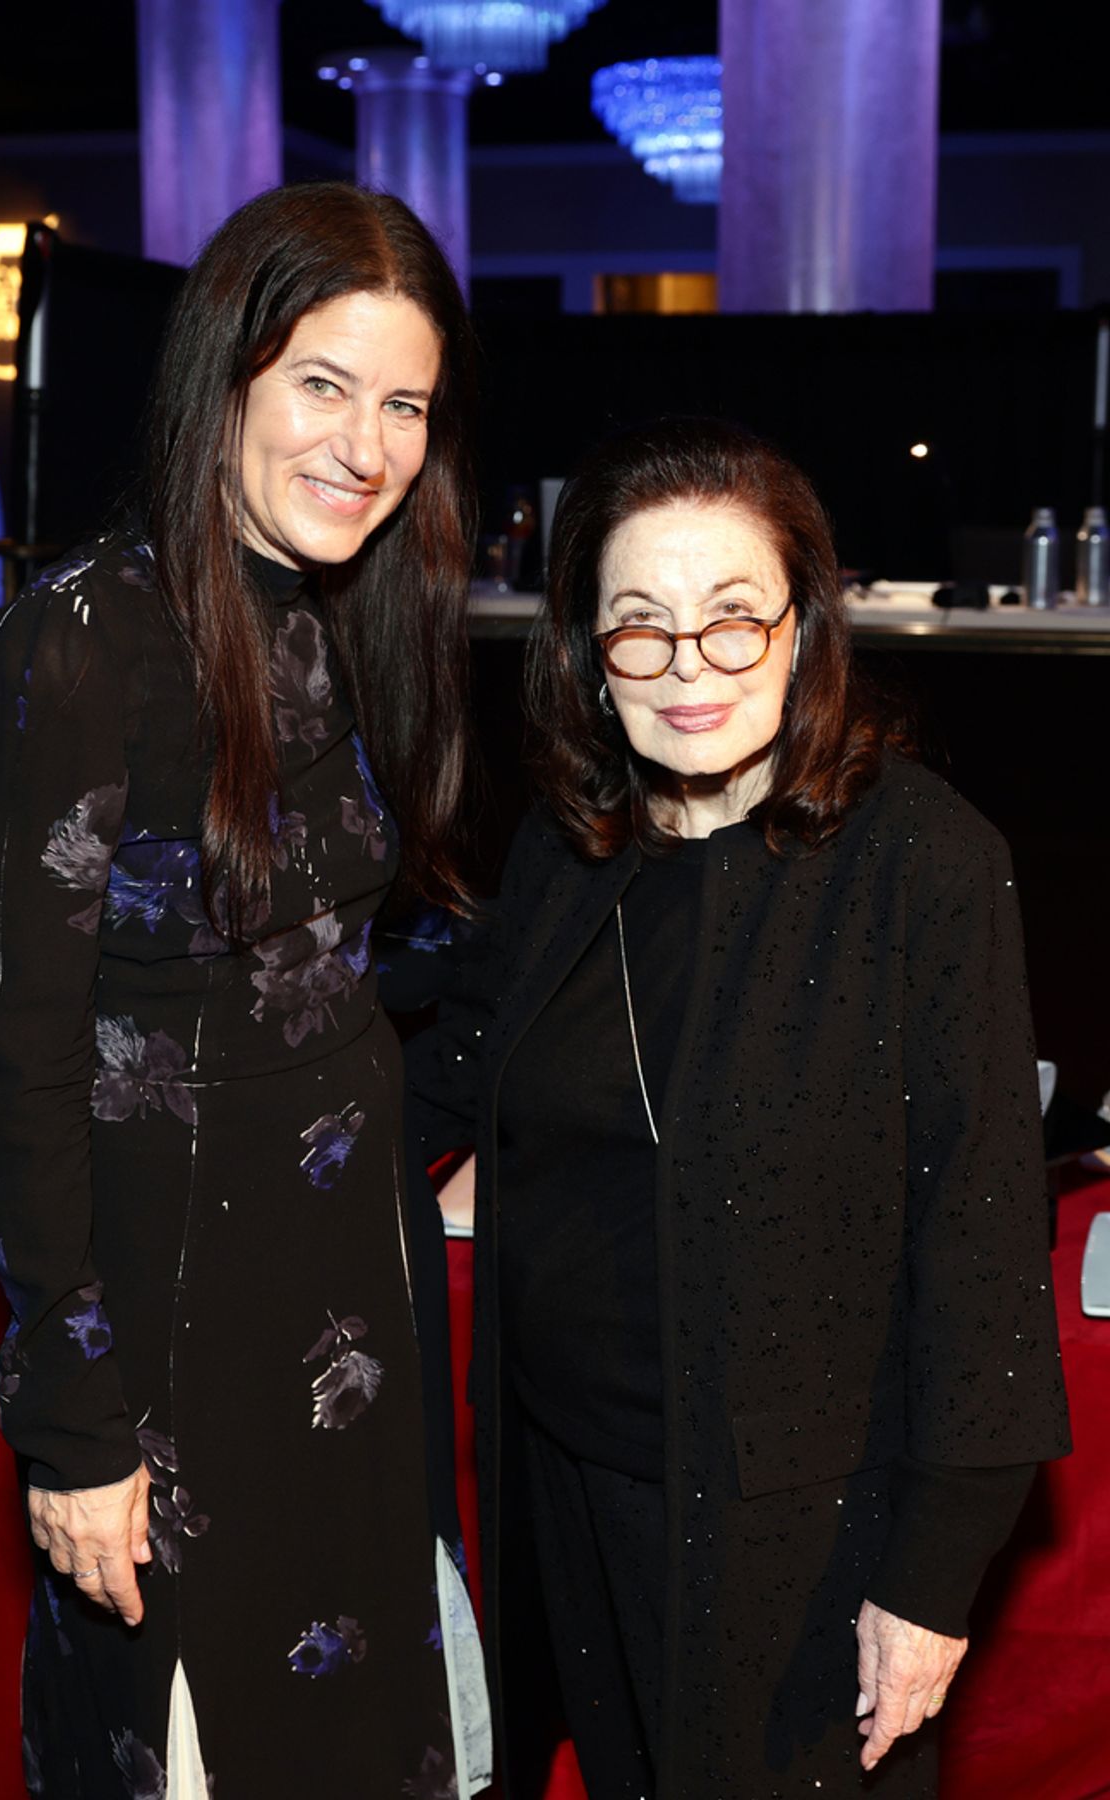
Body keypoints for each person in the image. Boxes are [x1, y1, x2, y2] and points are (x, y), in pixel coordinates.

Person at [404, 417, 1070, 1798]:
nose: (687, 668)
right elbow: (456, 1064)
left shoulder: (924, 867)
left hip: (800, 1537)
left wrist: (934, 1581)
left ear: (805, 629)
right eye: (640, 627)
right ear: (589, 655)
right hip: (566, 1493)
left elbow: (985, 1248)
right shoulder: (565, 844)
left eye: (732, 621)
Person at [0, 182, 491, 1798]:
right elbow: (26, 1066)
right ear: (227, 375)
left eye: (404, 403)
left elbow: (334, 965)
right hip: (172, 1346)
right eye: (323, 385)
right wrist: (75, 1426)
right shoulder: (83, 646)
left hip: (349, 1309)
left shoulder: (345, 616)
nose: (368, 444)